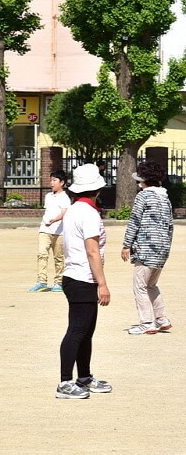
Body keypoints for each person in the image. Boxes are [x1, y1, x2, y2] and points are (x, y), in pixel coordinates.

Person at [56, 163, 112, 399]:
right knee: (77, 331)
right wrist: (102, 284)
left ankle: (84, 377)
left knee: (85, 331)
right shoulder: (88, 213)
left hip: (75, 276)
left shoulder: (74, 209)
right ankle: (65, 382)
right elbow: (92, 251)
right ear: (97, 189)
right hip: (82, 278)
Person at [121, 162, 174, 335]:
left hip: (145, 248)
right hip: (161, 250)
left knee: (140, 286)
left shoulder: (143, 196)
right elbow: (170, 226)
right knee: (151, 285)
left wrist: (126, 245)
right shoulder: (165, 198)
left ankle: (146, 323)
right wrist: (166, 247)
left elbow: (135, 221)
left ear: (144, 180)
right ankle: (161, 318)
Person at [29, 170, 71, 292]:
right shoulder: (48, 196)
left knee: (59, 258)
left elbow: (64, 213)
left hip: (59, 232)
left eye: (54, 180)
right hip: (45, 230)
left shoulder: (65, 198)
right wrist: (48, 222)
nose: (51, 183)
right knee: (42, 254)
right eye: (51, 180)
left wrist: (54, 220)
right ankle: (41, 281)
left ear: (62, 183)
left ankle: (59, 282)